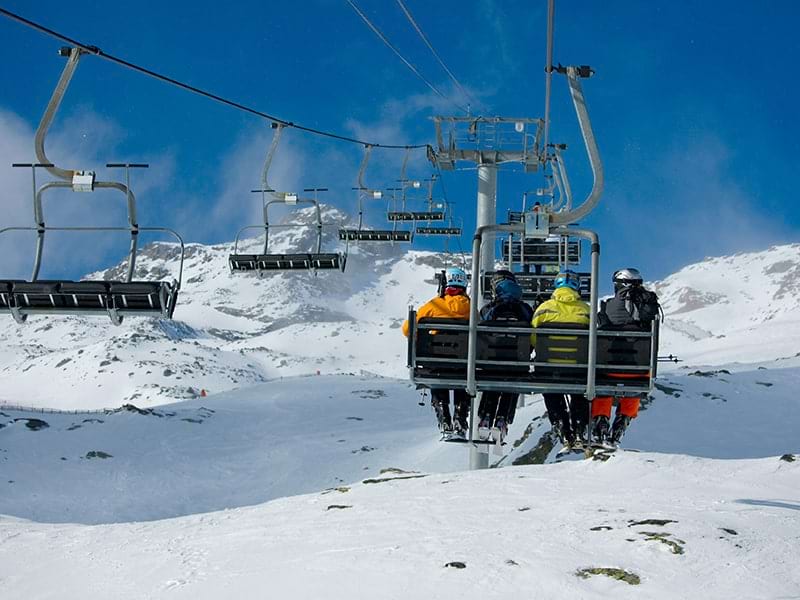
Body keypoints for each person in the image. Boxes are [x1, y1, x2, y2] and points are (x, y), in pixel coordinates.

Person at [592, 267, 660, 445]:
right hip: (639, 371)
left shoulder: (607, 307)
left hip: (608, 370)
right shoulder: (648, 308)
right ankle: (623, 420)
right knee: (634, 388)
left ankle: (600, 422)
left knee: (603, 388)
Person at [403, 266, 471, 436]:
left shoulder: (434, 305)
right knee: (462, 377)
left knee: (436, 371)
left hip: (435, 361)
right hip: (462, 364)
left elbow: (407, 329)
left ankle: (444, 416)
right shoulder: (471, 307)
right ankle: (460, 416)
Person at [531, 269, 591, 447]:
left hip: (548, 368)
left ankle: (561, 426)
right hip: (578, 369)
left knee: (551, 390)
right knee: (580, 391)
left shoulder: (544, 309)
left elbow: (533, 337)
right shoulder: (586, 311)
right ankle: (580, 427)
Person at [477, 270, 534, 440]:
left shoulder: (489, 309)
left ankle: (486, 416)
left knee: (492, 381)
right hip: (517, 362)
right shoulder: (524, 309)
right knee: (512, 382)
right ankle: (503, 419)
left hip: (491, 362)